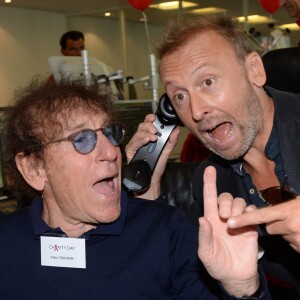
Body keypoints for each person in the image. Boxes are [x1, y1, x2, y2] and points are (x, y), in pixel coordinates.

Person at [0, 77, 270, 299]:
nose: (111, 152)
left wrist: (243, 288)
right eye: (81, 139)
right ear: (34, 169)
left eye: (109, 134)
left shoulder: (166, 231)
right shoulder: (6, 242)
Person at [126, 13, 300, 299]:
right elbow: (171, 276)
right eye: (179, 97)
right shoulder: (210, 182)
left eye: (207, 82)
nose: (196, 111)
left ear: (254, 69)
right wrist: (145, 196)